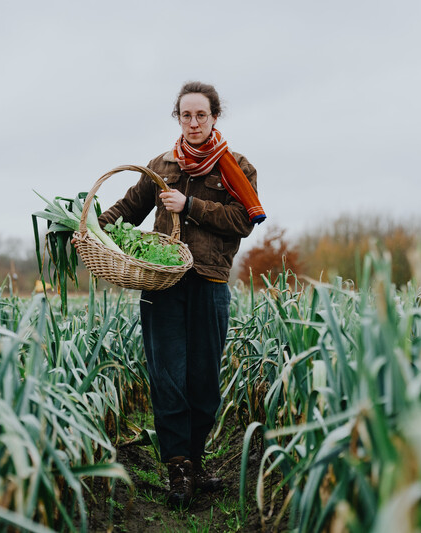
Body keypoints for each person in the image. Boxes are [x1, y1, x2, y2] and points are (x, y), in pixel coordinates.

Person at [99, 81, 265, 508]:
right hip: (163, 283)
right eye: (185, 115)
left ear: (214, 117)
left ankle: (193, 459)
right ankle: (179, 468)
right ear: (178, 117)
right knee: (168, 375)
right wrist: (90, 224)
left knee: (204, 380)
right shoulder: (162, 165)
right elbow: (129, 208)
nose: (193, 123)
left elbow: (244, 220)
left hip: (209, 282)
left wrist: (189, 206)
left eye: (201, 115)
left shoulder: (237, 168)